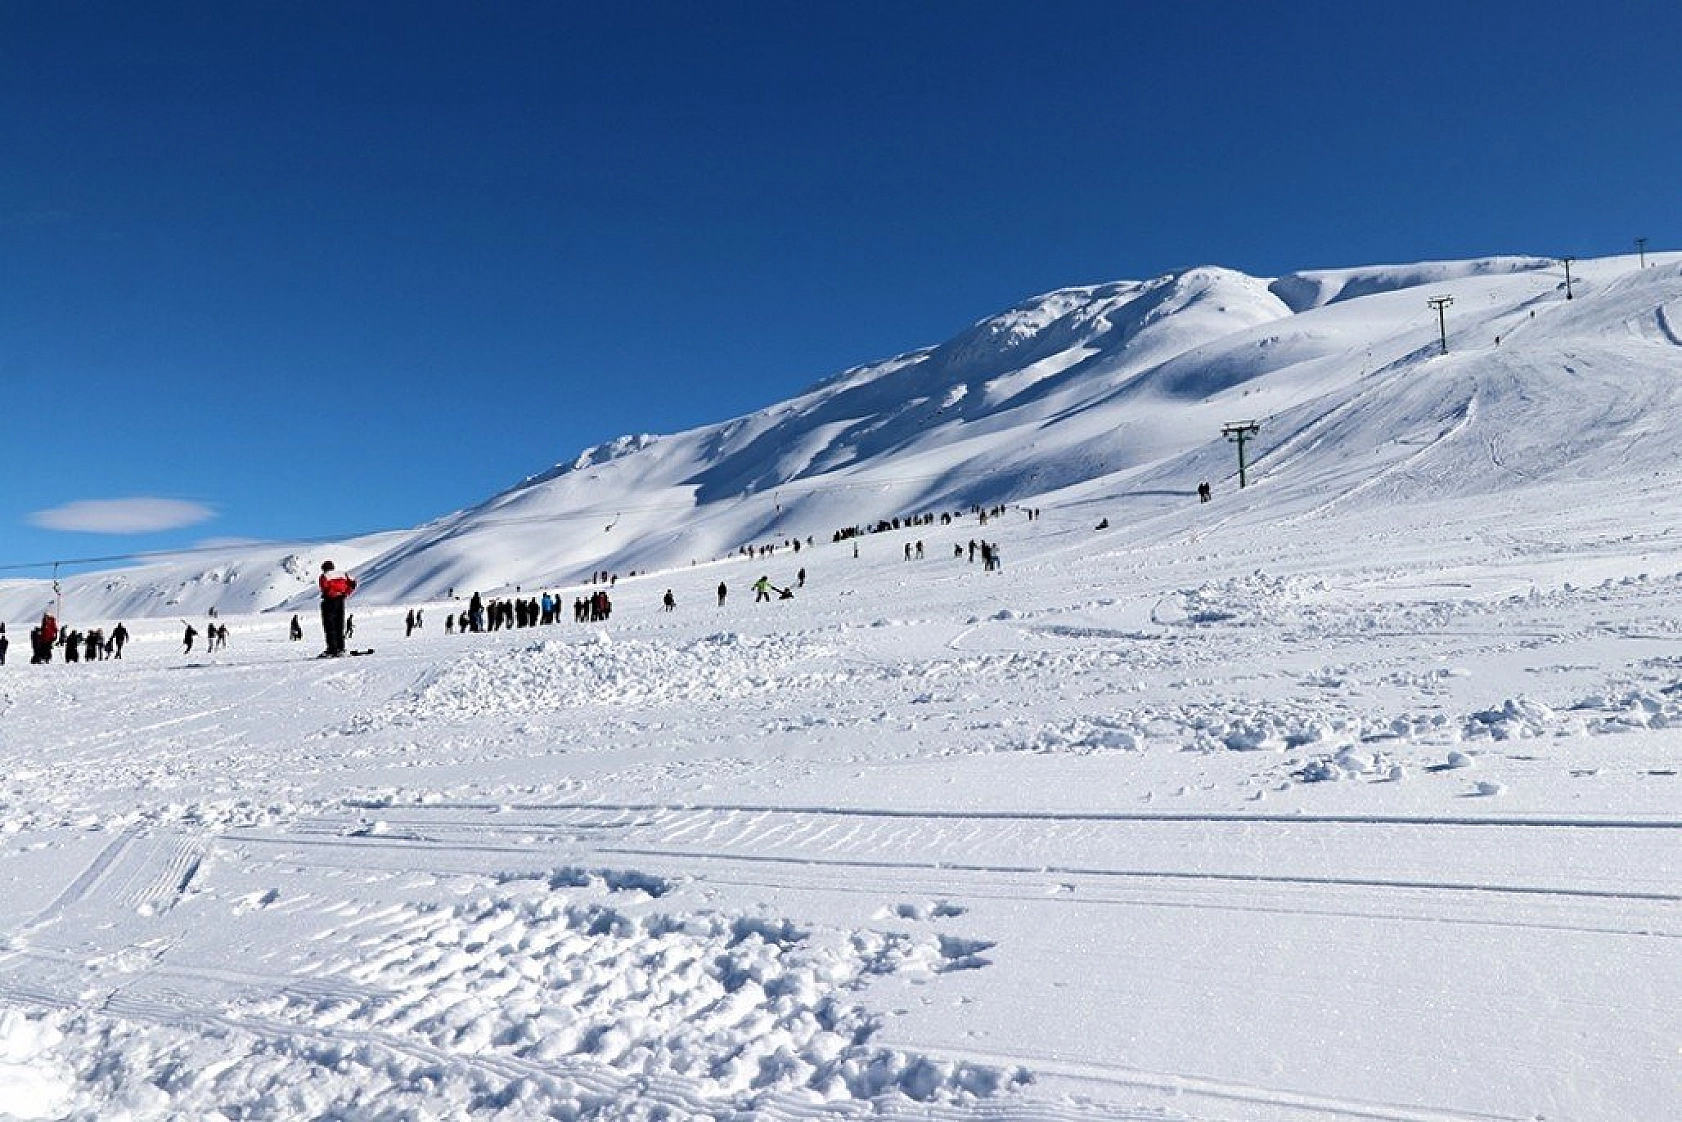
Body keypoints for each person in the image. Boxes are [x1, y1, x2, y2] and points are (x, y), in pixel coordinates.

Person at [318, 560, 358, 657]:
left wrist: (329, 593)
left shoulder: (324, 576)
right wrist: (347, 592)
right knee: (339, 624)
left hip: (330, 601)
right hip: (341, 600)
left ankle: (332, 649)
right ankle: (341, 648)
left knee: (330, 625)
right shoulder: (343, 574)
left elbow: (324, 587)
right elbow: (353, 582)